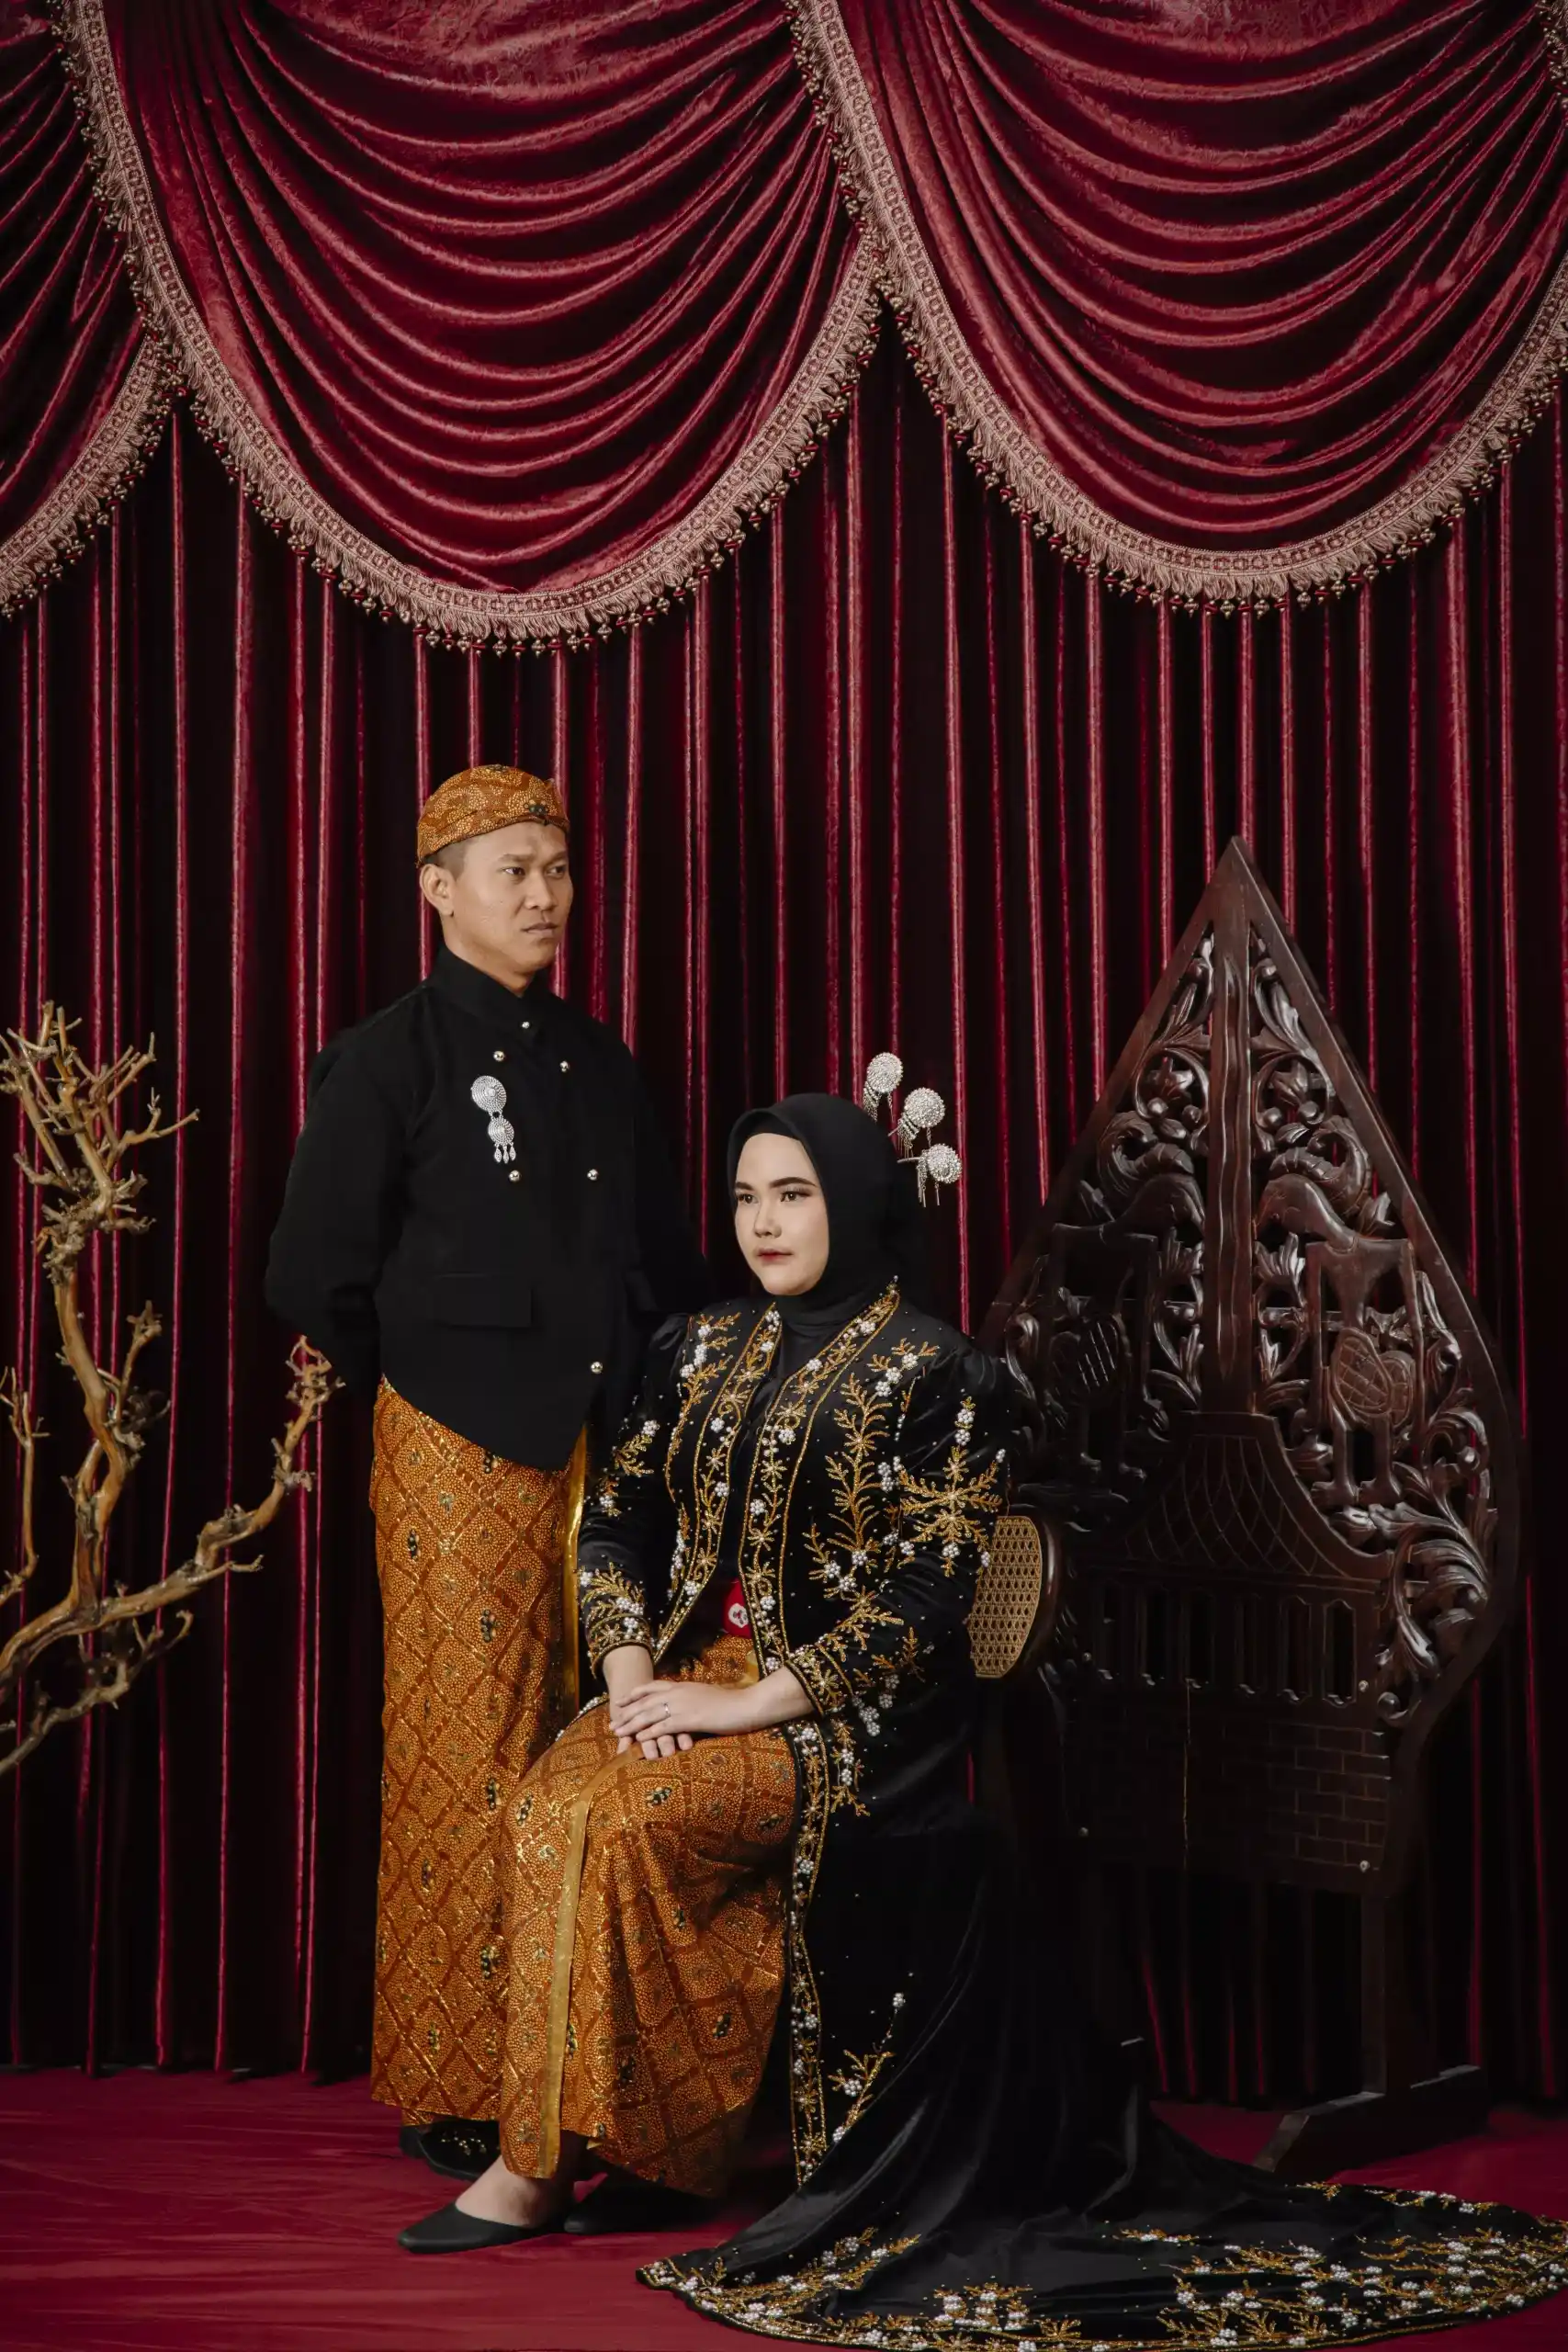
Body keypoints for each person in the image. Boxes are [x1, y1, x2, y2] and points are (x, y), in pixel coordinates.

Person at [398, 1087, 1568, 2348]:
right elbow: (620, 1521)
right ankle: (629, 2148)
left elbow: (933, 1593)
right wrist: (632, 1677)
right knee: (554, 1803)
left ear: (853, 1203)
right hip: (674, 1681)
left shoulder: (938, 1375)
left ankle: (536, 2169)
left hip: (834, 1721)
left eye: (792, 1195)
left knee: (618, 1822)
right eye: (744, 1198)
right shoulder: (696, 1349)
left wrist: (747, 1706)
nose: (762, 1224)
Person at [265, 763, 706, 2183]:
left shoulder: (597, 1060)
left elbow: (660, 1263)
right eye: (512, 869)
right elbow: (312, 1276)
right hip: (457, 1445)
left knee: (603, 1744)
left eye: (557, 868)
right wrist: (429, 1384)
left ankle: (581, 2060)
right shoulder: (382, 1059)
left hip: (607, 1444)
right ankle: (460, 2077)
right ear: (436, 889)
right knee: (469, 1758)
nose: (543, 894)